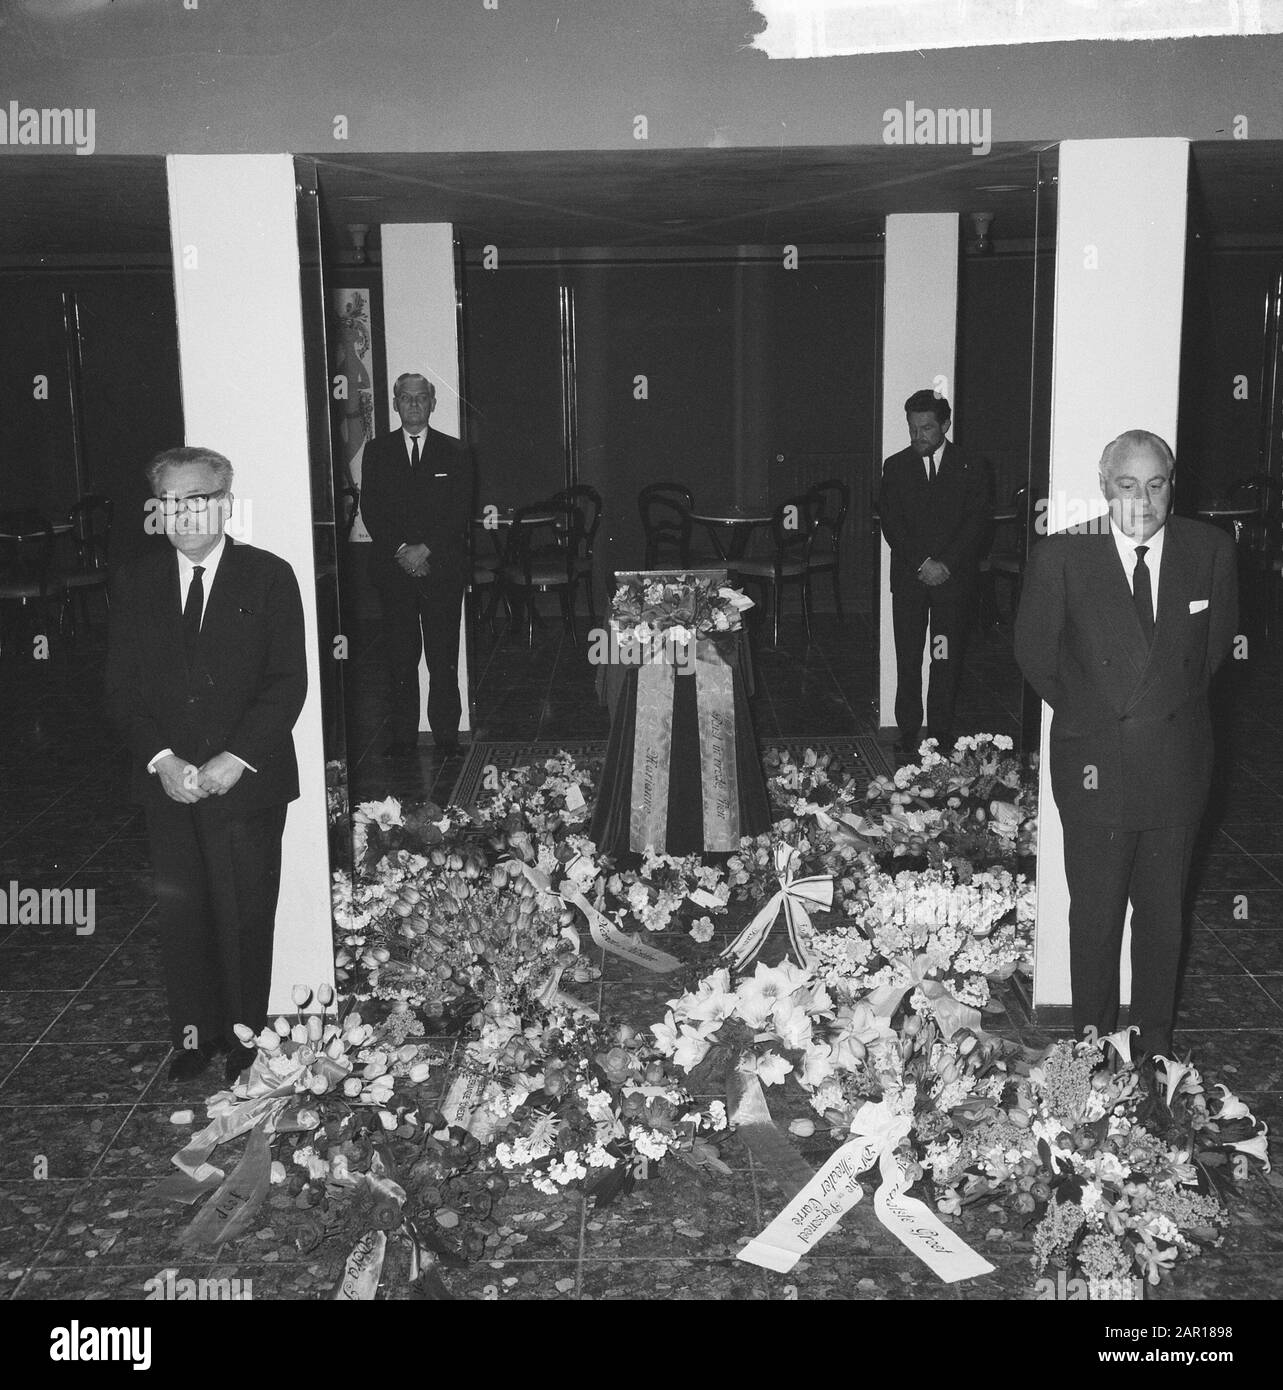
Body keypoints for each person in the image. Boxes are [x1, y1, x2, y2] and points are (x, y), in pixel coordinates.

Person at [1014, 430, 1238, 1062]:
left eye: (1157, 483)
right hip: (1095, 762)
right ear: (1105, 485)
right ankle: (1090, 1041)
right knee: (1096, 913)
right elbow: (1035, 653)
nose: (1143, 500)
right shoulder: (1063, 554)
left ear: (1173, 484)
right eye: (1128, 484)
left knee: (1164, 914)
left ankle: (1155, 1044)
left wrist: (1155, 708)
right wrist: (1101, 715)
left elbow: (1214, 653)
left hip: (1177, 762)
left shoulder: (1210, 550)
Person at [105, 447, 307, 1085]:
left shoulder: (269, 577)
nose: (183, 513)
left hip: (245, 781)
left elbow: (286, 683)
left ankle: (245, 1036)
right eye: (169, 501)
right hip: (168, 782)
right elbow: (121, 690)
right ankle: (195, 1036)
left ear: (223, 503)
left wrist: (235, 758)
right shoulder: (135, 583)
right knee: (184, 912)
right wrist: (161, 760)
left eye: (196, 499)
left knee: (246, 912)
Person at [359, 372, 474, 758]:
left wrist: (425, 550)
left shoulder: (456, 452)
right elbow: (371, 509)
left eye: (420, 397)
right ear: (395, 403)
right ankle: (403, 738)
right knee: (401, 659)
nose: (413, 404)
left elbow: (460, 511)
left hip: (441, 571)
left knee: (443, 658)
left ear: (432, 403)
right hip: (394, 572)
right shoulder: (377, 451)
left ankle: (446, 736)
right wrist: (403, 552)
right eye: (405, 397)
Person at [879, 389, 992, 762]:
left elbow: (976, 523)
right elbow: (892, 524)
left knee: (944, 657)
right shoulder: (895, 467)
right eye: (912, 429)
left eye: (926, 428)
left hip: (952, 583)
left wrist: (945, 564)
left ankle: (941, 732)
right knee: (909, 657)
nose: (918, 437)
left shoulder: (971, 465)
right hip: (912, 582)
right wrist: (922, 563)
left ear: (945, 424)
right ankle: (909, 731)